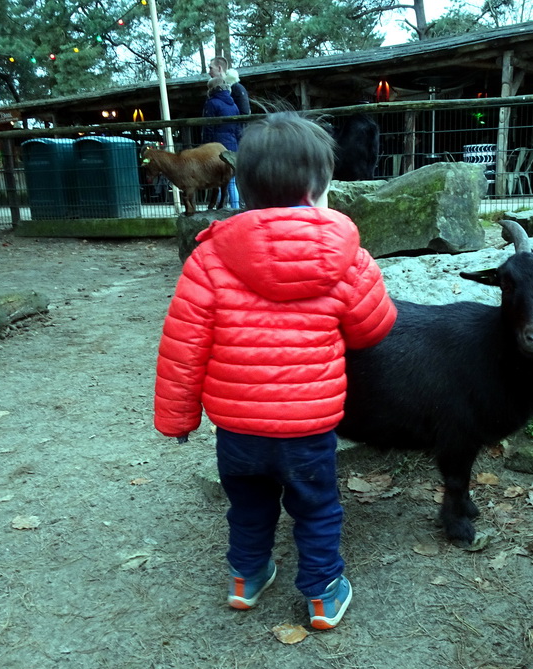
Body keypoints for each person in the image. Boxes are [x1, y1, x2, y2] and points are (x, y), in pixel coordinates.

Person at [154, 112, 398, 631]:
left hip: (237, 430)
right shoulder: (347, 256)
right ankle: (322, 592)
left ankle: (246, 577)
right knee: (317, 509)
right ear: (319, 185)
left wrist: (178, 420)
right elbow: (373, 329)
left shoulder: (209, 257)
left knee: (248, 506)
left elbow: (183, 346)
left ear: (243, 183)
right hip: (308, 430)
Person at [202, 76, 241, 208]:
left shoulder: (212, 103)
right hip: (232, 144)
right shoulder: (234, 105)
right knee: (231, 180)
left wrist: (205, 145)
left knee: (216, 180)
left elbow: (208, 127)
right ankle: (235, 208)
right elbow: (237, 128)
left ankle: (218, 208)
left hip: (216, 147)